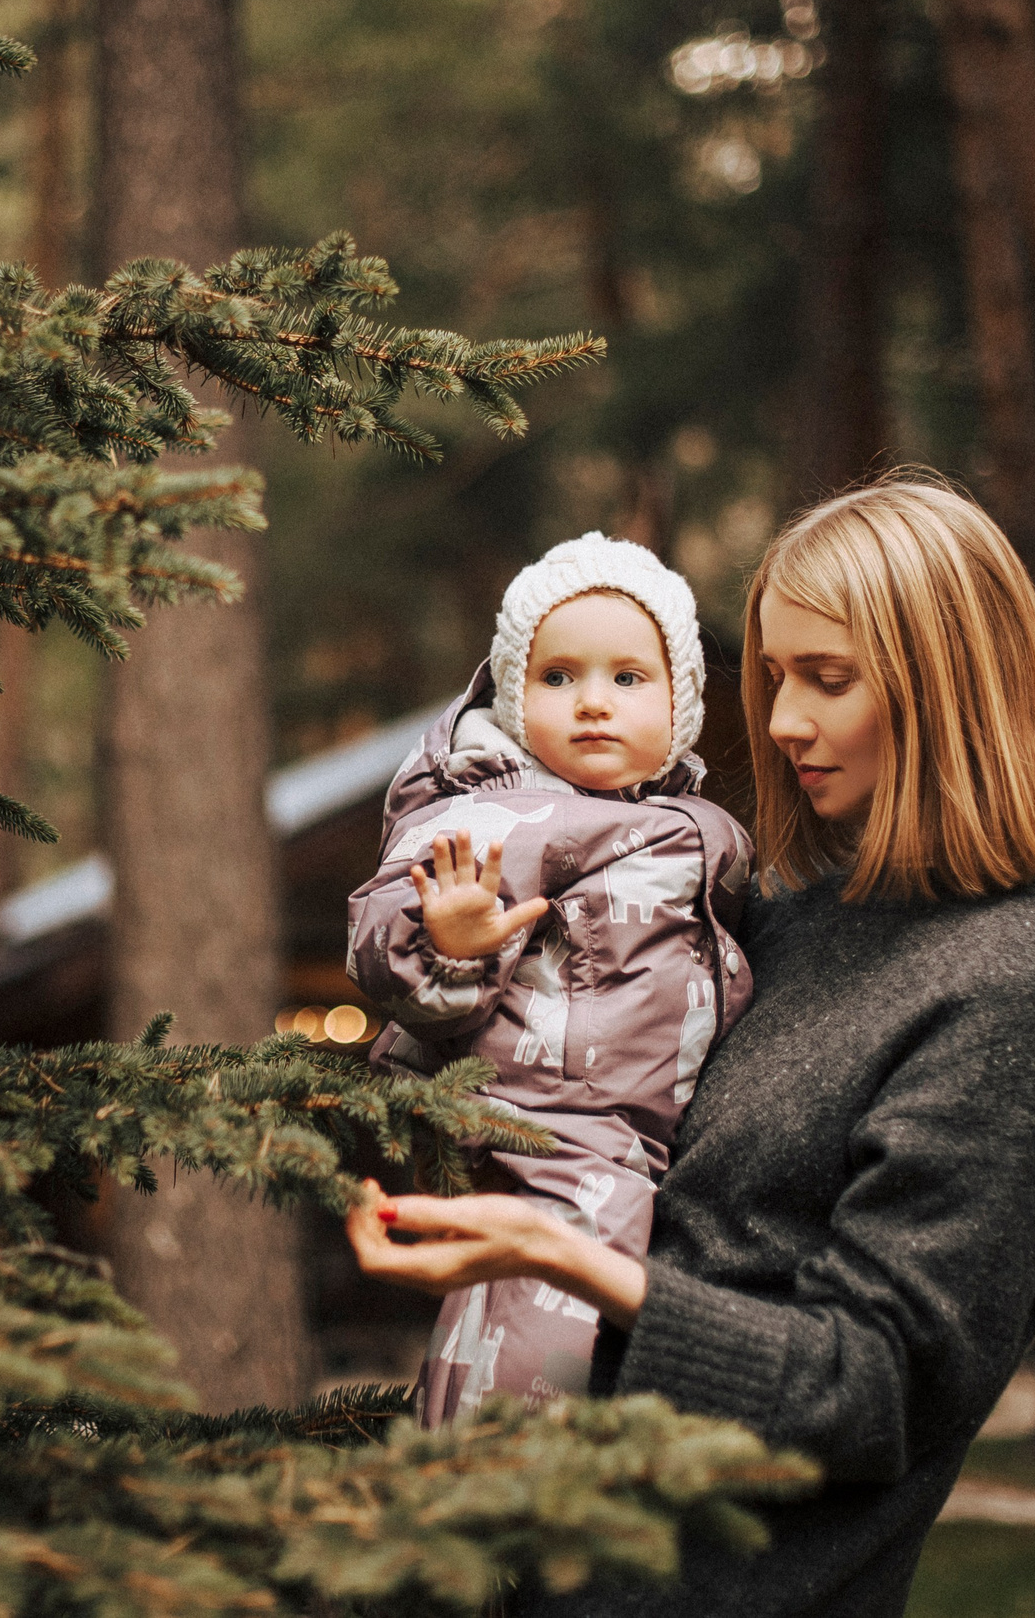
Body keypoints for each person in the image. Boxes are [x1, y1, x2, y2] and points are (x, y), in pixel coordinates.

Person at [346, 478, 1035, 1618]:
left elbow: (878, 1390)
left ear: (947, 692)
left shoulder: (1004, 996)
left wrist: (576, 1265)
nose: (784, 721)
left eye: (827, 679)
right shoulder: (777, 925)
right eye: (773, 676)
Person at [345, 532, 753, 1427]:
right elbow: (381, 932)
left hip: (639, 1132)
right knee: (542, 1315)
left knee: (543, 1300)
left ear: (680, 701)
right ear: (514, 693)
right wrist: (446, 938)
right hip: (550, 1121)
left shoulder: (680, 823)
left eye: (628, 678)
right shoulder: (496, 812)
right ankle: (500, 1487)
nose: (593, 704)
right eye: (558, 677)